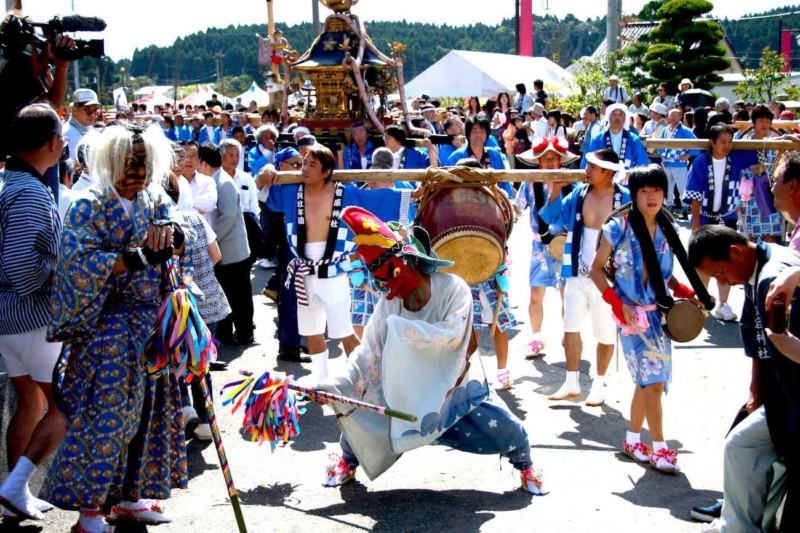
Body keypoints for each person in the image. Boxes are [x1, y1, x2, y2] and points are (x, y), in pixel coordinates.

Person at [316, 205, 548, 495]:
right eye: (380, 280)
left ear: (410, 262)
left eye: (389, 276)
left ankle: (525, 464)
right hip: (402, 388)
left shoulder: (454, 288)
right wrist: (329, 387)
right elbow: (366, 355)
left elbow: (451, 337)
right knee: (362, 410)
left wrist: (400, 331)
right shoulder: (390, 302)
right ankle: (348, 460)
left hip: (452, 384)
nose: (387, 288)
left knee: (503, 427)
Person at [41, 122, 190, 533]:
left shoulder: (154, 196)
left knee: (147, 415)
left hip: (151, 323)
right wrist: (139, 257)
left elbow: (181, 232)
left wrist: (173, 234)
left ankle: (129, 498)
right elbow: (78, 264)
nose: (136, 172)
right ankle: (89, 511)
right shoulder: (88, 203)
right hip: (106, 326)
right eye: (128, 162)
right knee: (106, 416)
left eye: (142, 163)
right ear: (110, 161)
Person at [260, 144, 413, 379]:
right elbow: (263, 191)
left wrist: (415, 195)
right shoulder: (291, 191)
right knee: (311, 331)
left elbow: (379, 199)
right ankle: (321, 379)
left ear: (326, 171)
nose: (305, 169)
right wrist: (266, 171)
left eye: (312, 164)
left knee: (344, 332)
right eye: (303, 163)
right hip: (303, 271)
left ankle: (363, 378)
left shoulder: (346, 193)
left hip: (334, 272)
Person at [689, 226, 800, 533]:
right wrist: (757, 388)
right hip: (781, 393)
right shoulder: (760, 270)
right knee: (740, 444)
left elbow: (784, 349)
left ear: (736, 253)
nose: (722, 282)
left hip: (792, 397)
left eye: (721, 273)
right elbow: (757, 342)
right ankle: (736, 525)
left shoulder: (772, 280)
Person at [590, 165, 696, 474]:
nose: (651, 197)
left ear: (665, 193)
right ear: (634, 195)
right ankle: (660, 448)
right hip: (631, 317)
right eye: (643, 191)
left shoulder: (668, 227)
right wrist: (615, 302)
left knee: (648, 382)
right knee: (653, 382)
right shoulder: (618, 227)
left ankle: (633, 439)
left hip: (662, 317)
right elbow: (595, 269)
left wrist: (687, 291)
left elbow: (666, 275)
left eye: (657, 190)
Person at [0, 104, 65, 522]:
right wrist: (62, 279)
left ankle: (14, 493)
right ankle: (14, 485)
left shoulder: (14, 182)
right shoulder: (28, 190)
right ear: (53, 143)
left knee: (30, 402)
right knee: (68, 407)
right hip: (34, 317)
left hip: (13, 318)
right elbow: (22, 264)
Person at [542, 149, 630, 406]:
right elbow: (553, 219)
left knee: (604, 332)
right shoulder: (579, 193)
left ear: (608, 172)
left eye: (592, 167)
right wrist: (556, 191)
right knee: (570, 326)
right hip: (575, 270)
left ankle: (600, 383)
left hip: (608, 277)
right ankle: (571, 381)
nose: (586, 170)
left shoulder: (625, 199)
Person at [682, 124, 760, 322]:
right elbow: (695, 197)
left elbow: (761, 147)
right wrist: (696, 226)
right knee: (703, 263)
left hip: (727, 217)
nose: (727, 146)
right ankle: (701, 301)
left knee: (727, 262)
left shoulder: (737, 158)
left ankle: (723, 304)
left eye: (730, 141)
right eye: (722, 141)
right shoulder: (700, 162)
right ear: (712, 142)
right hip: (705, 218)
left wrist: (779, 139)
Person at [514, 137, 579, 358]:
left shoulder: (574, 184)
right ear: (538, 162)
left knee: (567, 295)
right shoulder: (530, 183)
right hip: (539, 246)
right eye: (545, 159)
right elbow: (516, 208)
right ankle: (535, 336)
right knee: (535, 295)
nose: (550, 163)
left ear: (561, 160)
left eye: (554, 158)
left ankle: (567, 333)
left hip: (565, 245)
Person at [198, 143, 254, 346]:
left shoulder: (223, 183)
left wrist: (209, 240)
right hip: (224, 248)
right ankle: (226, 333)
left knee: (239, 295)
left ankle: (245, 332)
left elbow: (228, 216)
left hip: (232, 250)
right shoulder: (213, 181)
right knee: (227, 292)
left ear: (203, 163)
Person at [736, 105, 783, 242]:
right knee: (750, 234)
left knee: (771, 232)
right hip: (749, 193)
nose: (765, 124)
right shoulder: (744, 144)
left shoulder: (777, 143)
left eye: (768, 121)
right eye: (761, 120)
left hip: (769, 192)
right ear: (754, 122)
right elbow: (738, 169)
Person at [581, 103, 649, 171]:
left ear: (625, 118)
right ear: (608, 117)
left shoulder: (634, 140)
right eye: (614, 114)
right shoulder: (597, 139)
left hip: (628, 179)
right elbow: (587, 164)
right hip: (603, 179)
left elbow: (642, 165)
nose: (617, 117)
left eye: (620, 114)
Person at [659, 108, 700, 216]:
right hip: (667, 162)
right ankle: (668, 205)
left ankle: (685, 206)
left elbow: (696, 144)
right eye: (671, 114)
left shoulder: (685, 131)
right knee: (667, 185)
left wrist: (688, 154)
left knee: (682, 186)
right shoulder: (665, 130)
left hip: (679, 163)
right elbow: (660, 144)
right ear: (668, 116)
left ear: (681, 116)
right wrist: (661, 155)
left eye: (676, 114)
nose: (674, 117)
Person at [180, 141, 218, 225]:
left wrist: (183, 202)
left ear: (199, 160)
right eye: (184, 155)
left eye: (193, 156)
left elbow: (210, 203)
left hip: (203, 235)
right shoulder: (172, 182)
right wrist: (198, 209)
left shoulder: (208, 181)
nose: (188, 160)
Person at [63, 88, 100, 161]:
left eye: (95, 109)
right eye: (88, 110)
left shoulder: (90, 129)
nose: (92, 115)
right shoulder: (68, 133)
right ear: (74, 110)